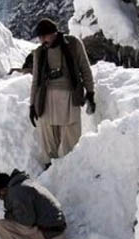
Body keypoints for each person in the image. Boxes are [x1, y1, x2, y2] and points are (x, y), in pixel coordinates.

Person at [29, 18, 95, 165]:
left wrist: (90, 93)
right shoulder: (39, 52)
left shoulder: (73, 44)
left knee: (70, 137)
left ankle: (68, 168)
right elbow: (35, 81)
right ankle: (49, 168)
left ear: (54, 33)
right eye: (40, 38)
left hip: (69, 96)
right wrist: (32, 105)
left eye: (44, 36)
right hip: (46, 99)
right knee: (48, 136)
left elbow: (85, 69)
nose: (42, 41)